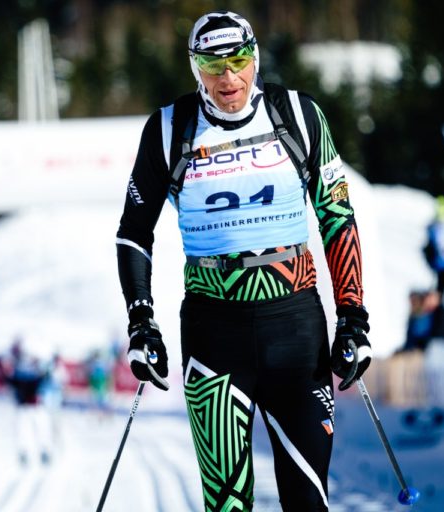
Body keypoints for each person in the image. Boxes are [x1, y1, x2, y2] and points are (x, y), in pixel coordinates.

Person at [116, 12, 371, 511]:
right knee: (228, 505)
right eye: (213, 65)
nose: (228, 77)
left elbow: (337, 216)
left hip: (296, 330)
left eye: (238, 61)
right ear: (195, 68)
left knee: (309, 501)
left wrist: (353, 318)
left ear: (255, 59)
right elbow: (133, 233)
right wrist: (141, 323)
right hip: (215, 338)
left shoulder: (297, 114)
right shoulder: (168, 129)